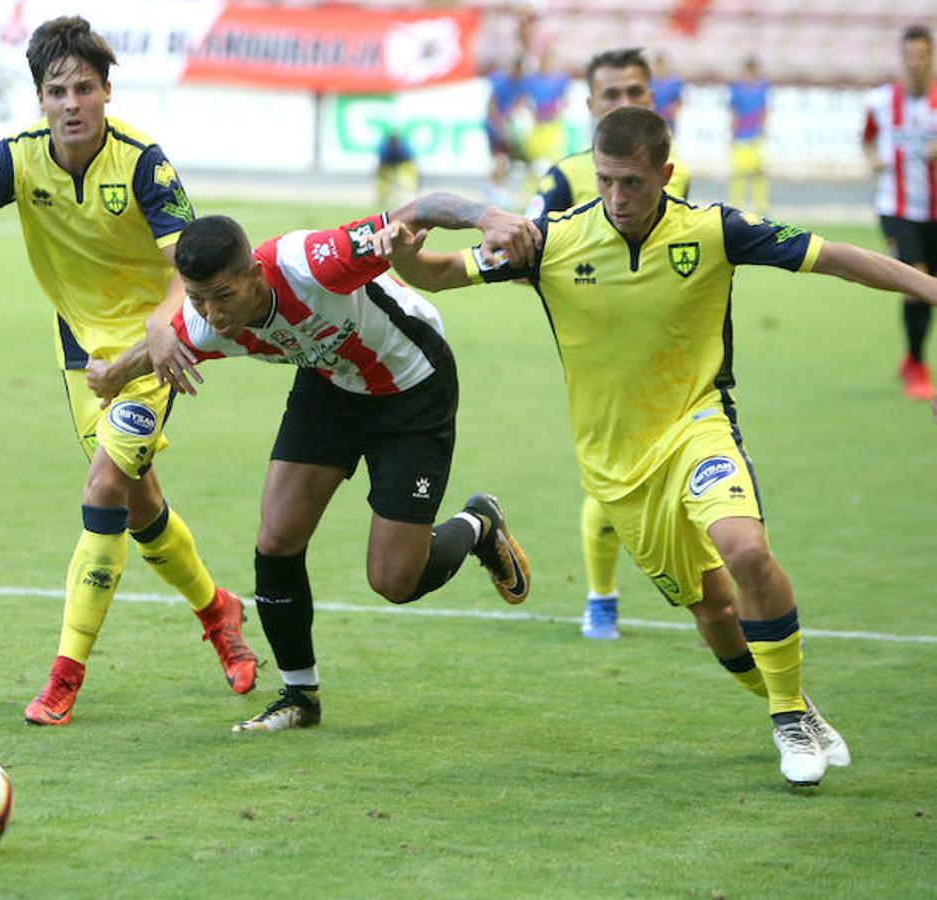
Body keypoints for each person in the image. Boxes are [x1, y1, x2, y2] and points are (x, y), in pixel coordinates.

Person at [370, 106, 937, 786]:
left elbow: (833, 257)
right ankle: (796, 707)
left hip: (696, 427)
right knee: (714, 613)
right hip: (615, 466)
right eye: (606, 180)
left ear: (663, 174)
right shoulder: (553, 240)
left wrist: (927, 286)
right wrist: (404, 245)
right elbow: (433, 276)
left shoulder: (713, 229)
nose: (617, 198)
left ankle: (785, 712)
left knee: (746, 549)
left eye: (632, 182)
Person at [0, 16, 258, 727]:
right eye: (56, 90)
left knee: (103, 484)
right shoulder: (16, 159)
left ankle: (64, 674)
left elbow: (185, 269)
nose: (71, 103)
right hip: (81, 355)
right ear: (39, 98)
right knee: (137, 504)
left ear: (105, 92)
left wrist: (164, 324)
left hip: (149, 353)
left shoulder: (141, 163)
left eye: (84, 89)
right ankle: (217, 609)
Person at [84, 197, 542, 733]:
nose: (214, 315)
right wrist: (112, 376)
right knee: (276, 539)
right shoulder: (211, 320)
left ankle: (477, 523)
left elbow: (417, 211)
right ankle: (300, 696)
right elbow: (166, 342)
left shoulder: (313, 262)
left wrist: (486, 218)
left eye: (224, 296)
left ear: (255, 273)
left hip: (413, 386)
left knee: (395, 580)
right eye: (200, 300)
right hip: (330, 388)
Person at [526, 48, 692, 641]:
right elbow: (522, 252)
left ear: (654, 98)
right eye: (612, 95)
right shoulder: (567, 178)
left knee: (685, 472)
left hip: (672, 351)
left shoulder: (680, 171)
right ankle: (601, 597)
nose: (625, 103)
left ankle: (709, 594)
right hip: (602, 354)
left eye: (636, 93)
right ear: (591, 103)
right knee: (613, 480)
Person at [862, 24, 937, 401]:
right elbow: (868, 139)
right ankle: (919, 367)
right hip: (896, 207)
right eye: (909, 57)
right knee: (917, 282)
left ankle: (912, 357)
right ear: (901, 59)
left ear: (931, 59)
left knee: (931, 286)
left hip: (934, 213)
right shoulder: (880, 101)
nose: (915, 64)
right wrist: (874, 161)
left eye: (922, 57)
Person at [728, 57, 770, 214]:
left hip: (756, 135)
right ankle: (736, 204)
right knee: (738, 172)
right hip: (741, 134)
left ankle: (761, 205)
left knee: (759, 171)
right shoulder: (736, 88)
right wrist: (732, 132)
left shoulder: (763, 87)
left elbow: (765, 109)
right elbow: (734, 111)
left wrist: (763, 128)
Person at [484, 59, 526, 208]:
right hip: (495, 125)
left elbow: (518, 102)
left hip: (507, 125)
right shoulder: (500, 82)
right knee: (500, 159)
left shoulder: (521, 84)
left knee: (505, 160)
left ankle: (494, 188)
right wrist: (499, 125)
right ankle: (495, 190)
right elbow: (491, 104)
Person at [376, 129, 417, 210]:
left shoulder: (404, 148)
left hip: (403, 163)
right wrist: (380, 171)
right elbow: (381, 162)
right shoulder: (384, 148)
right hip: (388, 164)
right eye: (392, 143)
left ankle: (408, 197)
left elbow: (410, 161)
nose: (393, 145)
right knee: (383, 182)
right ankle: (383, 198)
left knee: (406, 180)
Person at [651, 52, 684, 133]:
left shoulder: (675, 82)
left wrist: (672, 110)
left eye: (661, 65)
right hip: (652, 119)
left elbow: (679, 101)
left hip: (669, 120)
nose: (659, 68)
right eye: (657, 65)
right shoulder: (649, 82)